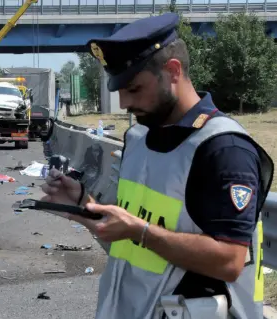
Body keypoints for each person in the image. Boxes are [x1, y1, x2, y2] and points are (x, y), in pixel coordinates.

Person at [41, 13, 274, 319]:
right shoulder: (139, 138)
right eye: (120, 90)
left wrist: (141, 232)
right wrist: (83, 204)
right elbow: (133, 236)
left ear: (173, 71)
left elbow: (229, 261)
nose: (123, 103)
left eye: (134, 89)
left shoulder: (224, 149)